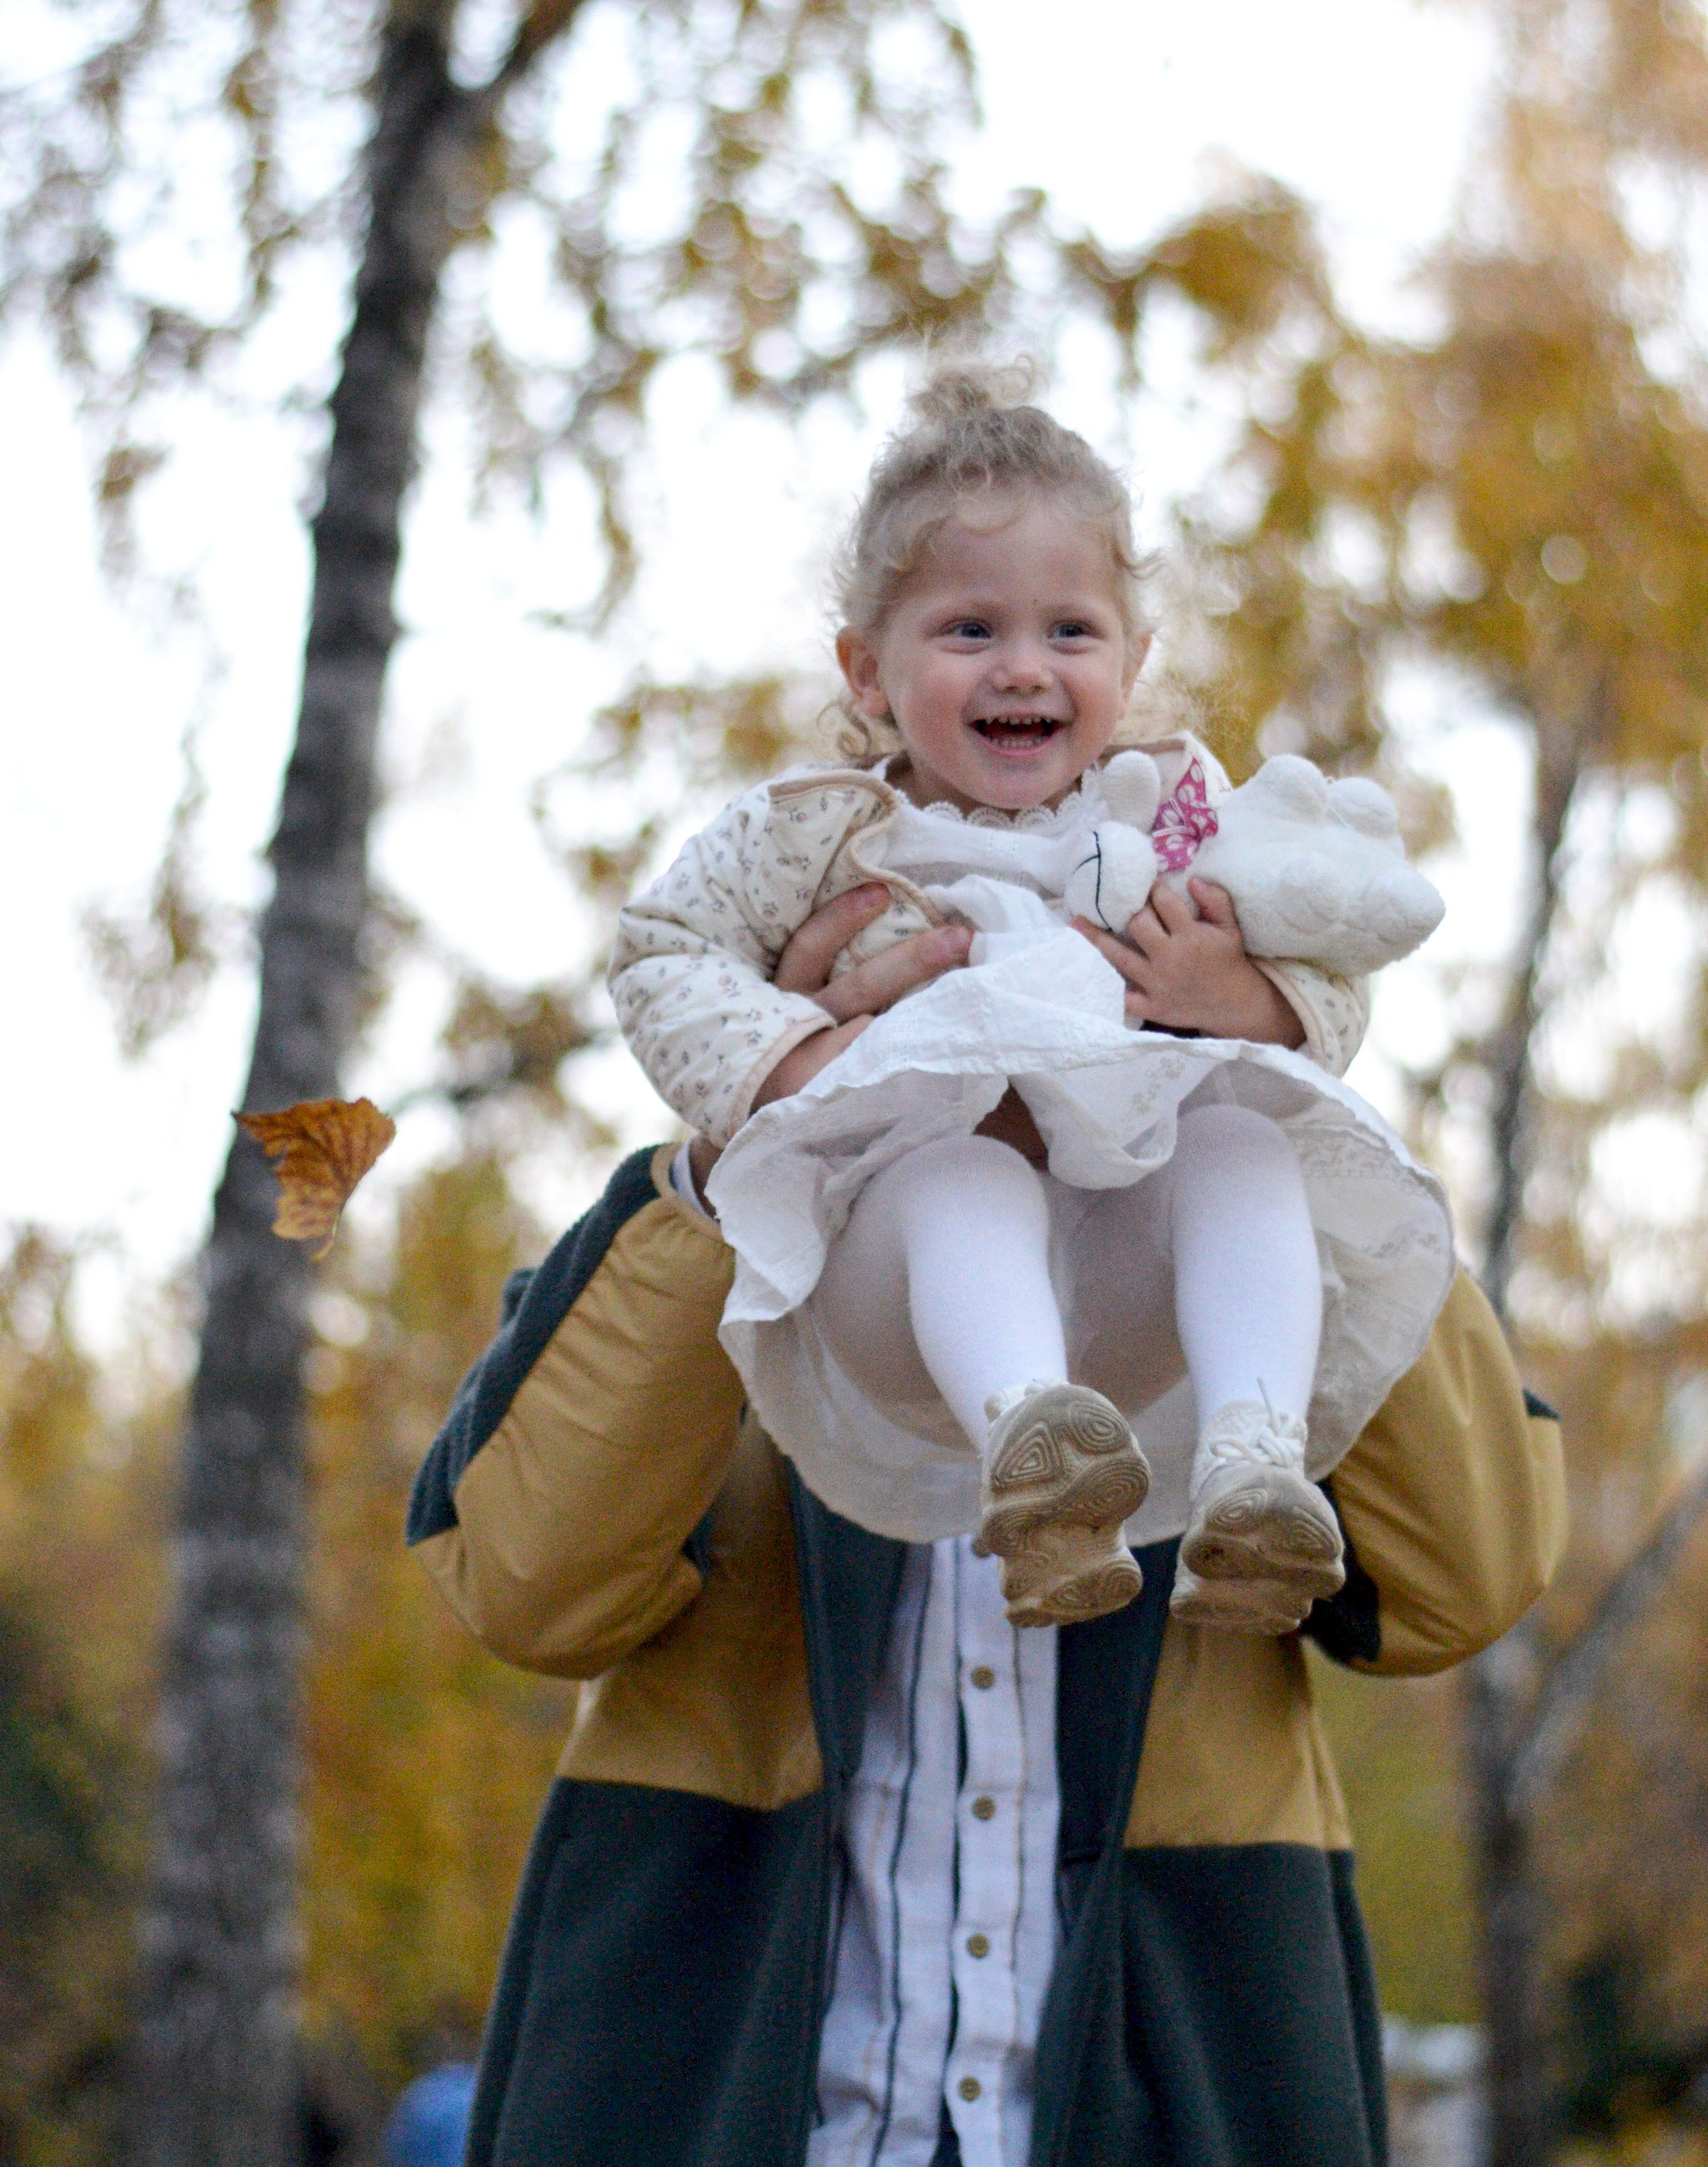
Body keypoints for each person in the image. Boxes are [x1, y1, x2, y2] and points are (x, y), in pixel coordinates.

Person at [407, 885, 1566, 2167]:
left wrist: (1279, 1093)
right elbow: (525, 1585)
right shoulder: (707, 1256)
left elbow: (1466, 1580)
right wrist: (750, 1141)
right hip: (720, 2104)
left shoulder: (1237, 1276)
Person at [608, 368, 1453, 1635]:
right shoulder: (821, 834)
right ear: (866, 671)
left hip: (1125, 1279)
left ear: (1135, 658)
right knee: (965, 1180)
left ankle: (1253, 1460)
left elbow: (1329, 986)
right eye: (969, 630)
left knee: (1238, 1140)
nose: (1024, 667)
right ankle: (1036, 1469)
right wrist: (786, 1061)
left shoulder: (1177, 816)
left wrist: (1249, 1000)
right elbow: (660, 947)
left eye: (1070, 631)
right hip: (906, 1296)